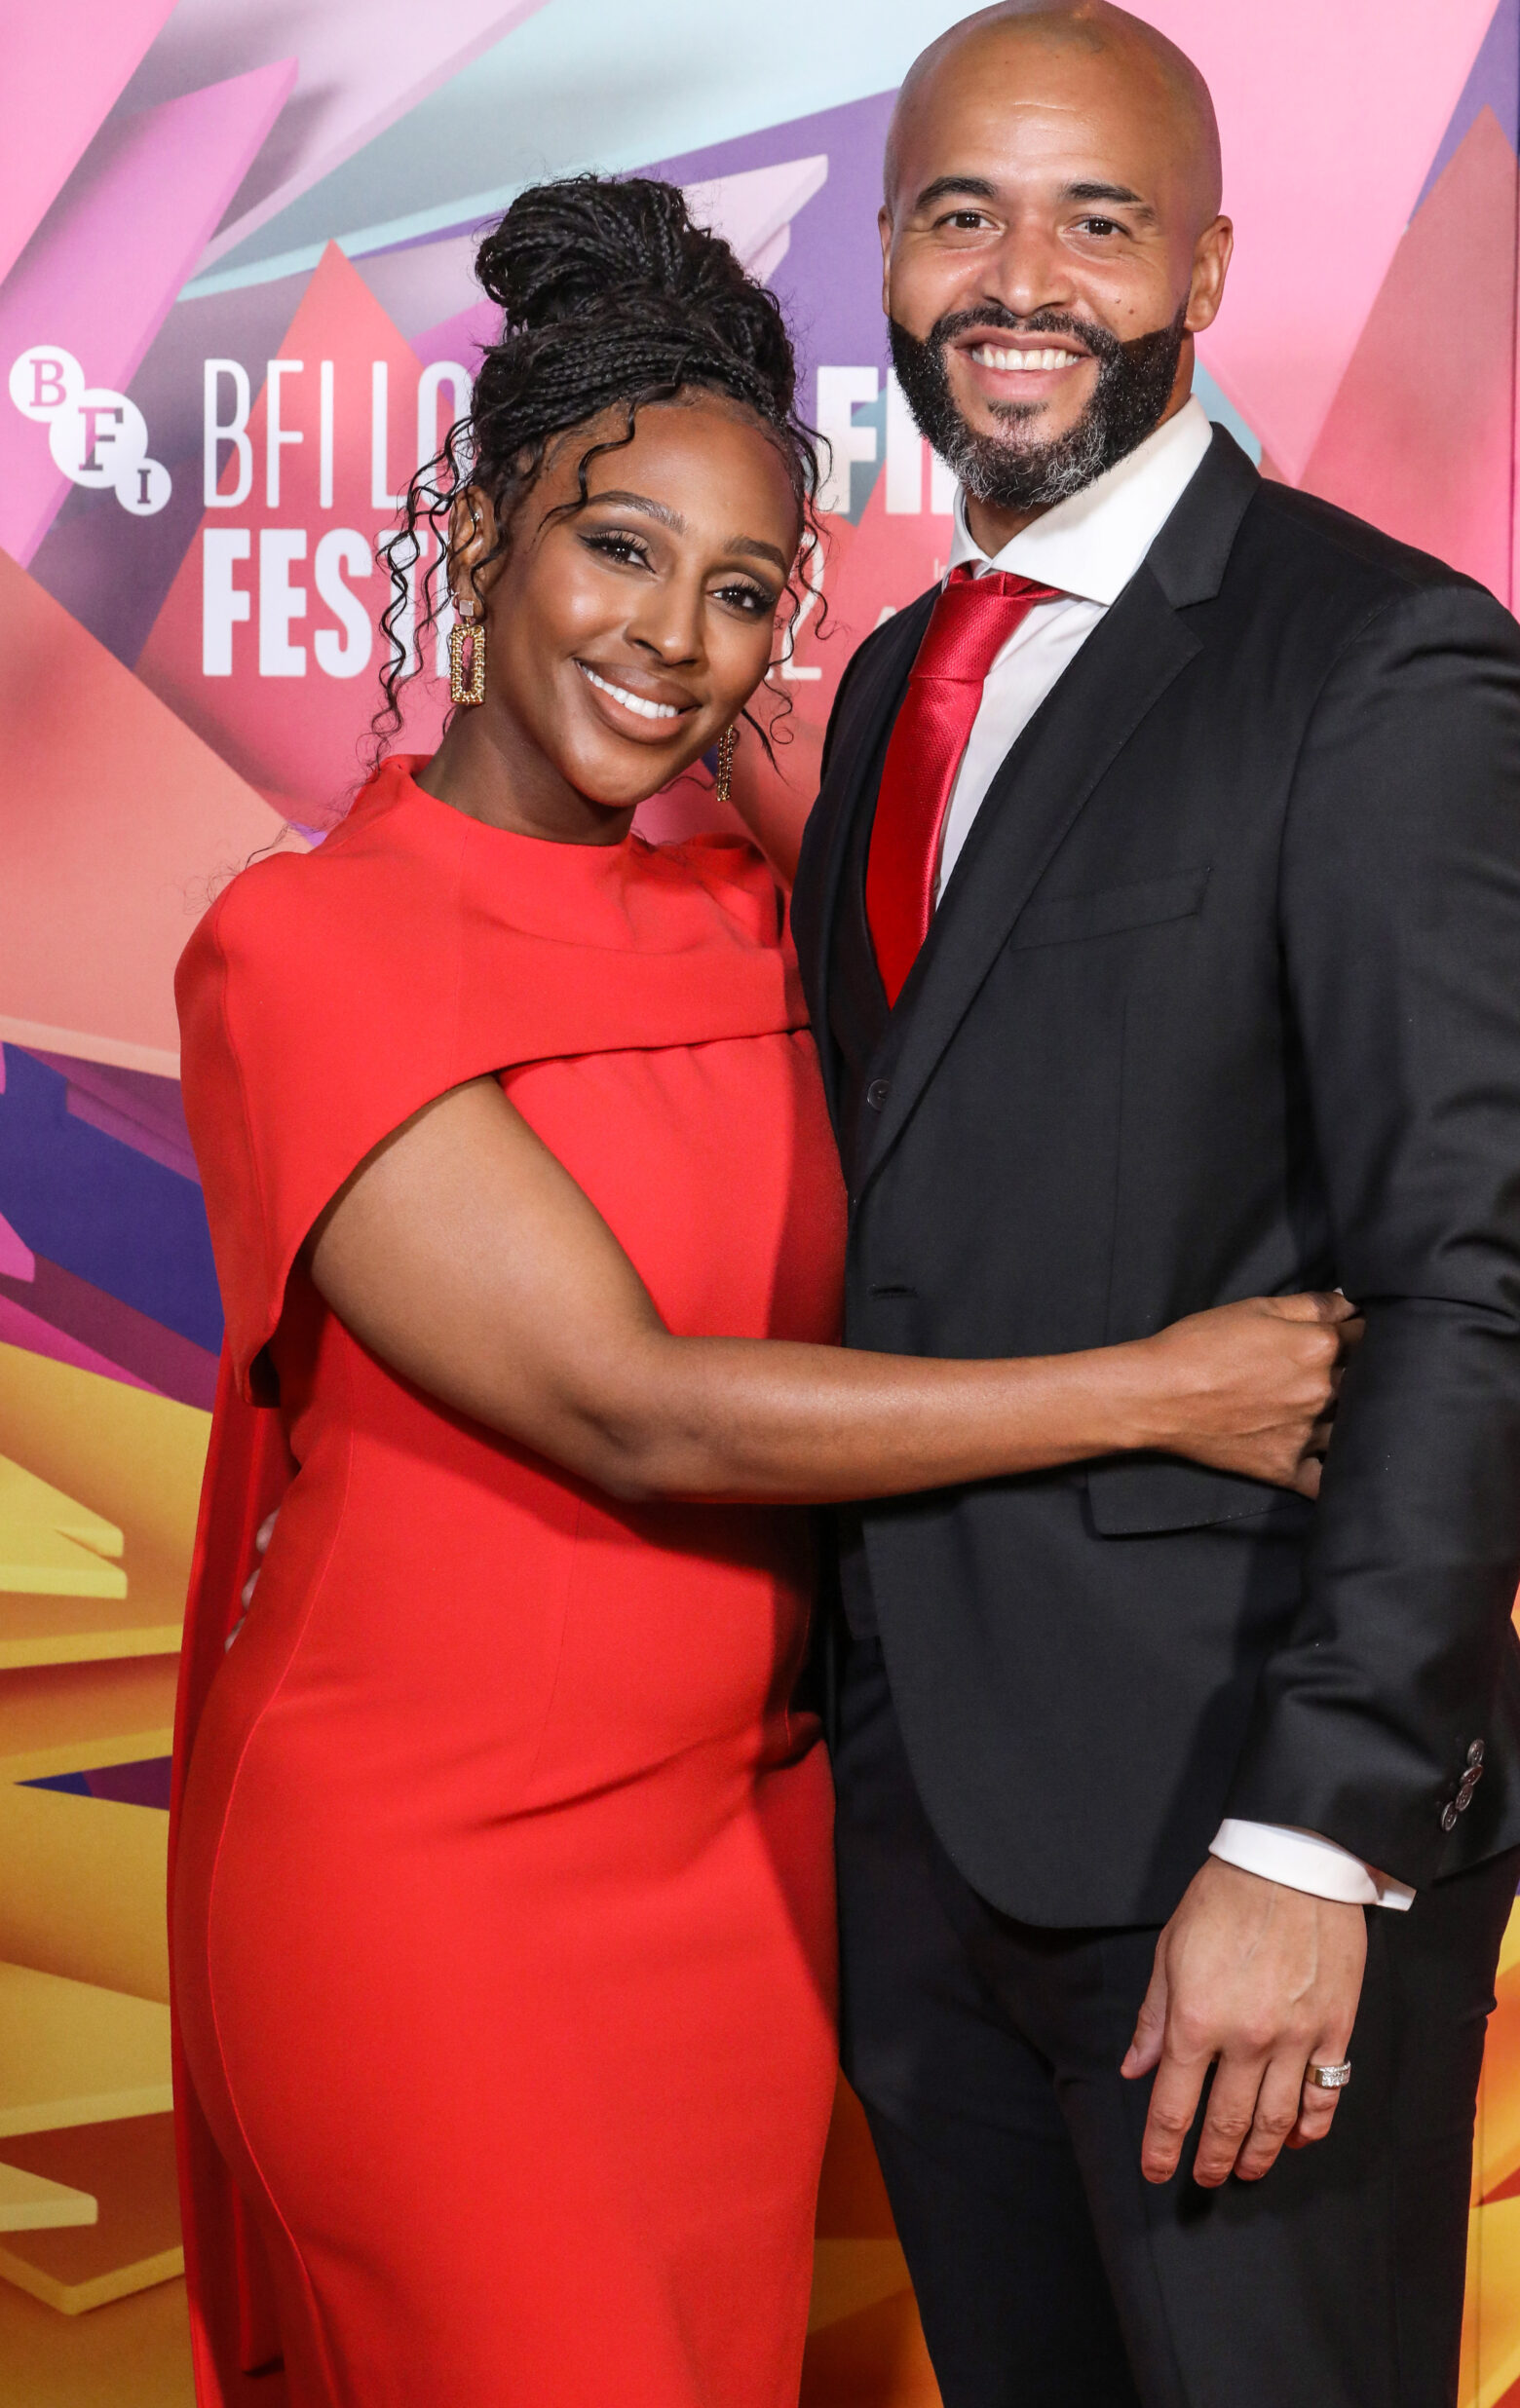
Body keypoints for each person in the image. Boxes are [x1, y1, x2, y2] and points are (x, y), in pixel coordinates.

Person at [167, 174, 1354, 2408]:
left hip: (738, 1866)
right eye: (613, 551)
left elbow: (1005, 1008)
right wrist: (1158, 1389)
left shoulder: (745, 906)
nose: (669, 635)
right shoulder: (308, 945)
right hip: (420, 1890)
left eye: (737, 591)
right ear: (480, 537)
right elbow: (634, 1404)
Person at [789, 0, 1520, 2408]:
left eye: (1094, 220)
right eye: (962, 214)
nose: (1020, 278)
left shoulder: (1378, 660)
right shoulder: (888, 682)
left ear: (1204, 268)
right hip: (927, 1818)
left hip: (1237, 1824)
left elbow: (1467, 1275)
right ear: (891, 259)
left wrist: (1315, 1840)